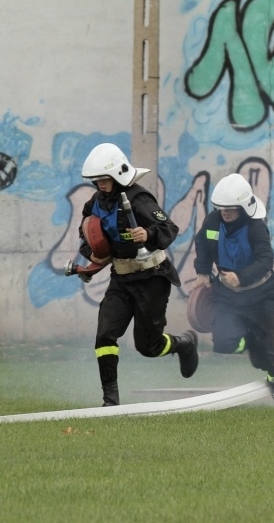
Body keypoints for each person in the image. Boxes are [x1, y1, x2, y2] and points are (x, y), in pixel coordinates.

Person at [78, 143, 199, 407]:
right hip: (120, 280)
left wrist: (149, 234)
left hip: (152, 279)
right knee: (104, 336)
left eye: (104, 178)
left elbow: (170, 228)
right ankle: (110, 400)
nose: (99, 183)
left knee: (148, 347)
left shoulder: (139, 199)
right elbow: (86, 232)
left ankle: (184, 344)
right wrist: (92, 254)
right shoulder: (95, 203)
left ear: (118, 174)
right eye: (96, 179)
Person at [191, 173, 274, 407]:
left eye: (230, 209)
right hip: (227, 294)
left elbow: (266, 260)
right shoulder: (213, 222)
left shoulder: (256, 228)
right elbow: (203, 244)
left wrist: (241, 277)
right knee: (223, 342)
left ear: (244, 207)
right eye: (221, 208)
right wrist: (203, 272)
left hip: (261, 297)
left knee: (265, 354)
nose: (224, 213)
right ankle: (249, 339)